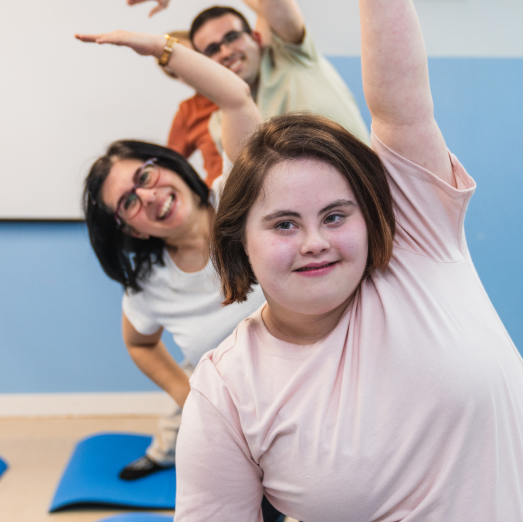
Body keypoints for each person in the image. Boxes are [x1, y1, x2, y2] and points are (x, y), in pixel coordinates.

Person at [171, 0, 523, 519]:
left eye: (336, 216)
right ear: (239, 240)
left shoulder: (417, 248)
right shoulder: (226, 388)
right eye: (284, 224)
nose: (315, 241)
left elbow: (399, 103)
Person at [75, 25, 264, 481]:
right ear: (131, 230)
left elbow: (236, 98)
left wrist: (160, 49)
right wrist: (191, 400)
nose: (149, 196)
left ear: (168, 163)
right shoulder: (149, 283)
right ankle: (167, 450)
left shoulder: (239, 198)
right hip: (244, 437)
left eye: (144, 176)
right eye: (128, 203)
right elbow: (139, 342)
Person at [128, 0, 368, 154]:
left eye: (232, 37)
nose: (226, 52)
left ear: (256, 36)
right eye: (211, 50)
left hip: (379, 197)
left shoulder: (292, 57)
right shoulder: (222, 123)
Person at [159, 31, 225, 186]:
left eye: (189, 56)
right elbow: (168, 165)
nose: (187, 69)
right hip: (227, 198)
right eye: (175, 70)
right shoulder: (189, 111)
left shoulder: (247, 76)